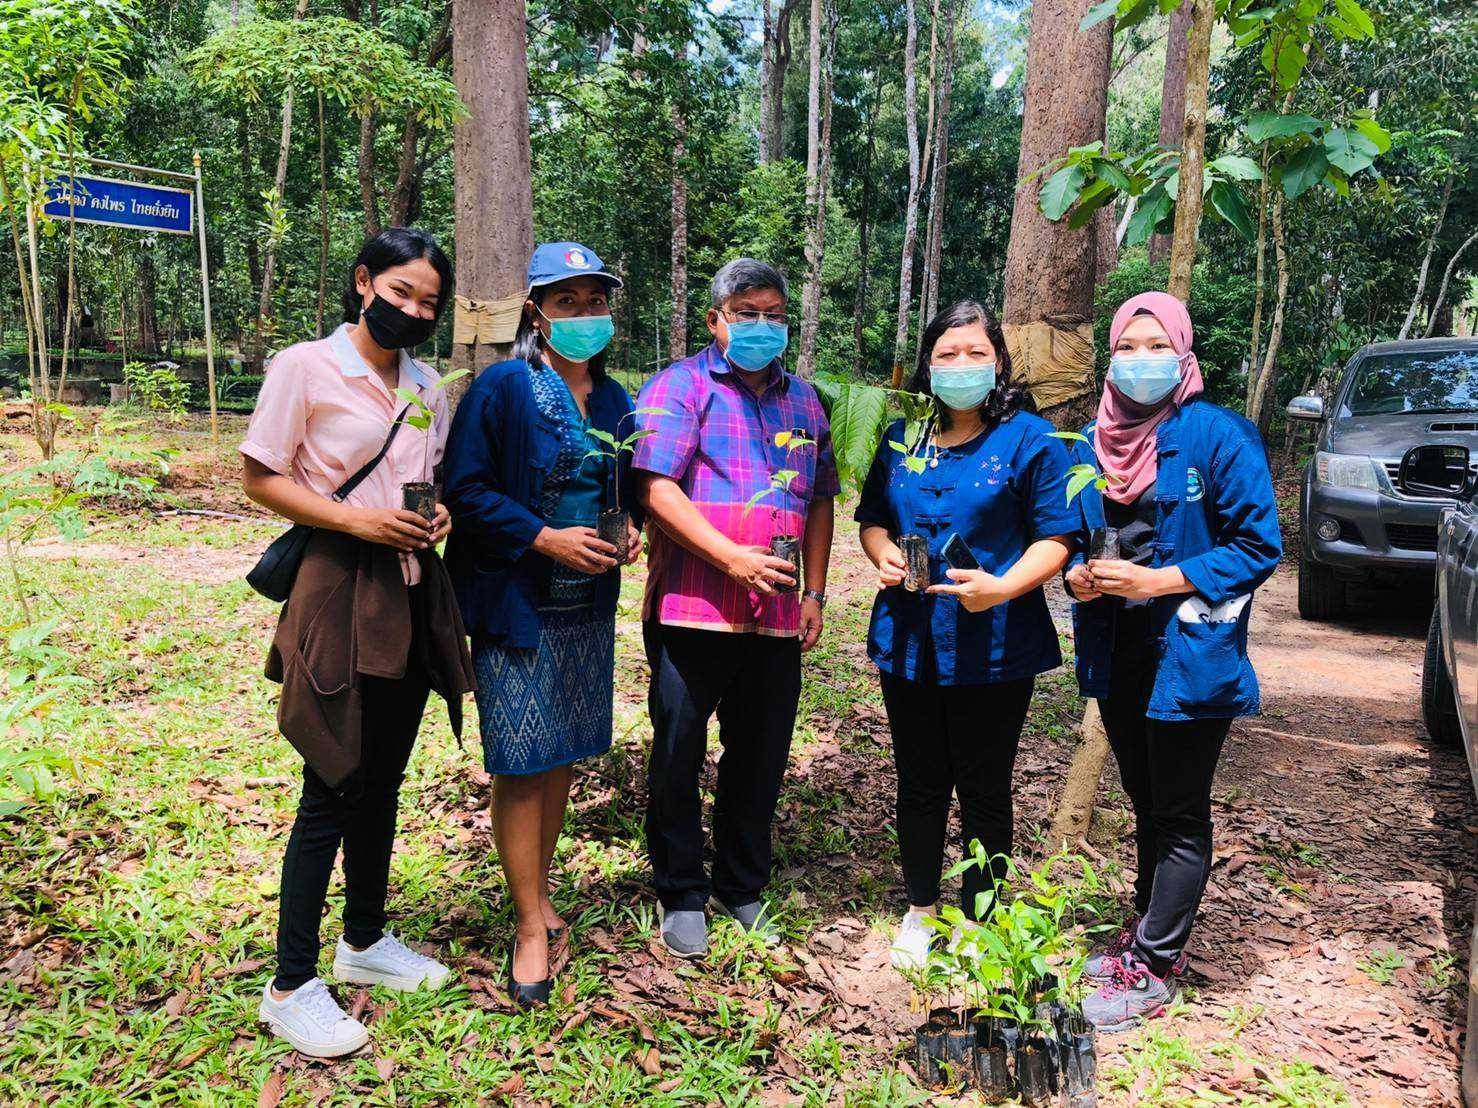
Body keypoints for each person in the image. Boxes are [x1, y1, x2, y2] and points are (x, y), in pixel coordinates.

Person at [243, 227, 476, 1058]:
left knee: (383, 780)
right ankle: (291, 984)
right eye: (401, 291)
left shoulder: (425, 387)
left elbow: (428, 482)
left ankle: (366, 942)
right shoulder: (305, 367)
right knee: (332, 779)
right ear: (364, 281)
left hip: (412, 593)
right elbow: (261, 475)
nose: (413, 310)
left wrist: (435, 515)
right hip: (340, 586)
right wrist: (357, 519)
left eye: (428, 301)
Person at [1065, 291, 1281, 1032]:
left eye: (1159, 346)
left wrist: (1159, 581)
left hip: (1188, 651)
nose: (1142, 360)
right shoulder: (1091, 442)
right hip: (1118, 647)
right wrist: (1078, 575)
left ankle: (1155, 966)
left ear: (1184, 354)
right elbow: (1073, 539)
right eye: (1130, 345)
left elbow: (1259, 545)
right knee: (1147, 802)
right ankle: (1145, 929)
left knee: (1181, 812)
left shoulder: (1220, 436)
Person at [441, 242, 640, 1007]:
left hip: (587, 609)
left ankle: (541, 889)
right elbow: (466, 488)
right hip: (517, 605)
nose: (586, 315)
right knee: (521, 761)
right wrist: (542, 535)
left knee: (559, 755)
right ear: (537, 310)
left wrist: (627, 532)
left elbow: (624, 489)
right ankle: (528, 924)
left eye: (596, 301)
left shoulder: (618, 398)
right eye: (569, 302)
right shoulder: (503, 388)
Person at [854, 300, 1081, 969]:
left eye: (975, 353)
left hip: (995, 644)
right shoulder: (903, 437)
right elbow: (871, 516)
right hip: (910, 636)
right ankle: (922, 910)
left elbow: (1059, 536)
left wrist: (1004, 588)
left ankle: (983, 916)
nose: (960, 366)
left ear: (999, 362)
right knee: (920, 780)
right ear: (927, 365)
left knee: (985, 785)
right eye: (947, 354)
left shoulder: (1029, 439)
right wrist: (881, 553)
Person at [632, 258, 840, 959]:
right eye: (745, 312)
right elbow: (657, 488)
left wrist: (813, 591)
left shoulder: (806, 402)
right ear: (715, 320)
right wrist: (730, 558)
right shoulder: (679, 388)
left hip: (777, 615)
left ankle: (740, 885)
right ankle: (681, 889)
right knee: (679, 752)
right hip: (695, 608)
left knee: (760, 754)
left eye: (774, 314)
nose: (761, 325)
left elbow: (818, 498)